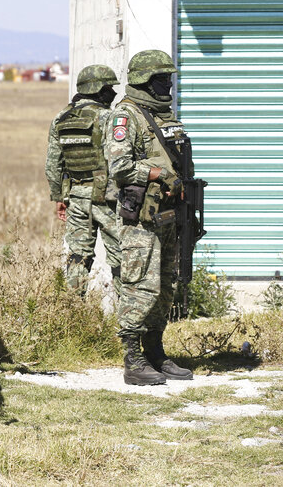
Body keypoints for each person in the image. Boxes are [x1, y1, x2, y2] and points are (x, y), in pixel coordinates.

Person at [106, 50, 194, 386]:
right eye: (161, 80)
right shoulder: (126, 117)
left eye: (169, 79)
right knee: (140, 285)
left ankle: (155, 351)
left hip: (169, 215)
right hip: (142, 217)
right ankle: (133, 358)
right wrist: (157, 173)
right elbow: (119, 166)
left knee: (165, 287)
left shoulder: (164, 116)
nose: (167, 86)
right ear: (144, 81)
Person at [45, 64, 122, 298]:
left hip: (76, 198)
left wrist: (59, 197)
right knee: (121, 257)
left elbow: (53, 165)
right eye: (109, 87)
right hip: (108, 199)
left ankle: (72, 313)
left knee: (78, 257)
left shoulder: (62, 117)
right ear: (98, 89)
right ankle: (126, 321)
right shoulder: (109, 117)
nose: (114, 93)